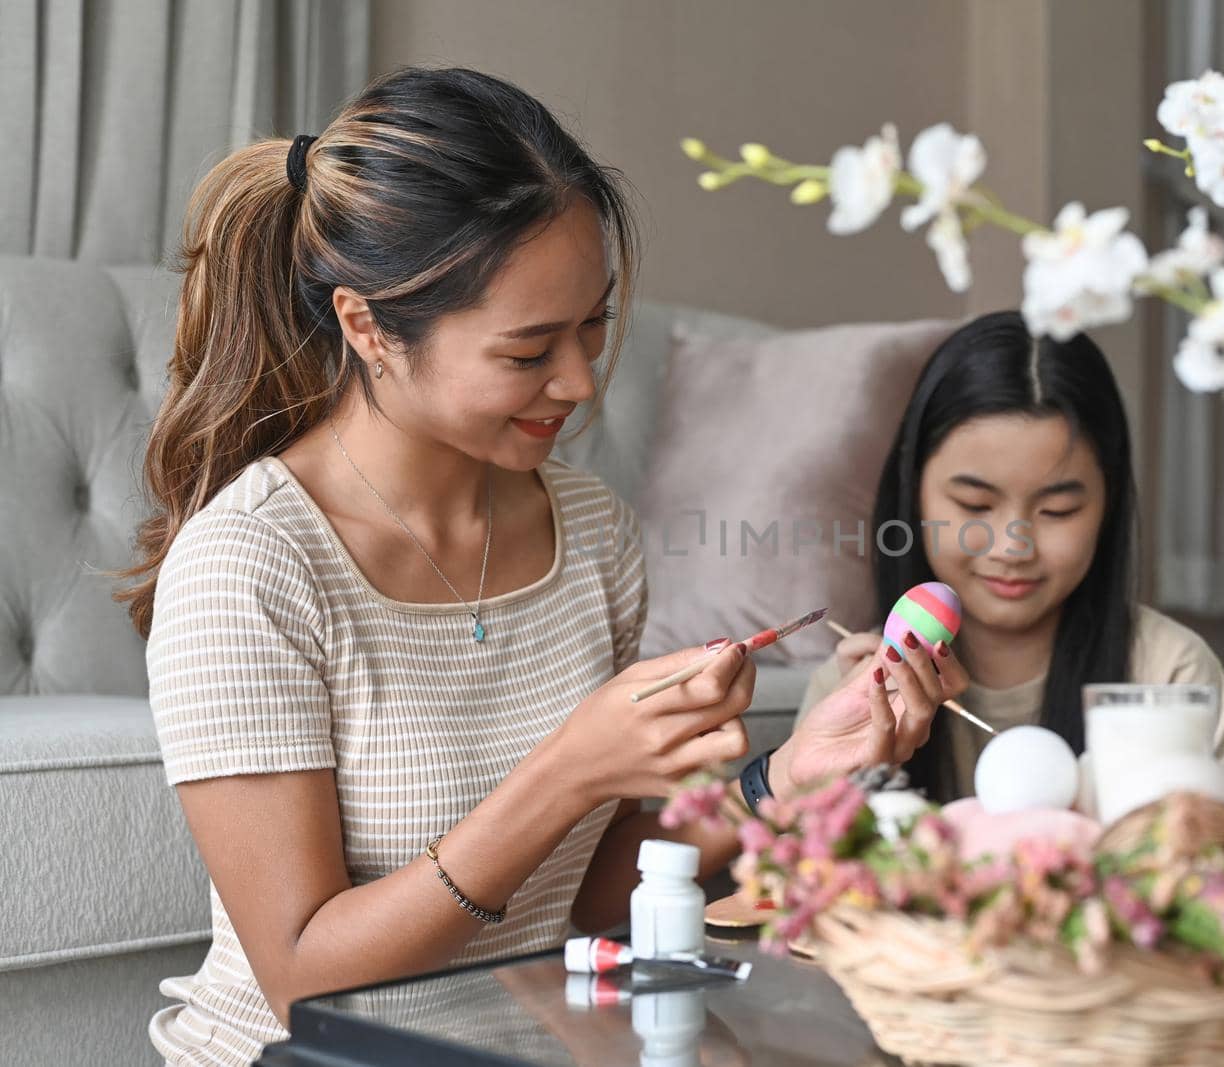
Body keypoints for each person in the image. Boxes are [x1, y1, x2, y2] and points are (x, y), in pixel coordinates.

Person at [121, 67, 963, 1066]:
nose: (578, 380)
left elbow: (587, 904)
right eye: (527, 351)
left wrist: (783, 778)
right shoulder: (251, 563)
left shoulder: (591, 531)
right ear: (367, 326)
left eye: (594, 325)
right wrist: (567, 771)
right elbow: (307, 979)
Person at [799, 311, 1224, 802]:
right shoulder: (848, 689)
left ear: (1108, 504)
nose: (1012, 547)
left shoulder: (1167, 673)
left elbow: (1220, 861)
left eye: (1058, 510)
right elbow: (798, 868)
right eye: (974, 506)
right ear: (914, 495)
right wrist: (862, 776)